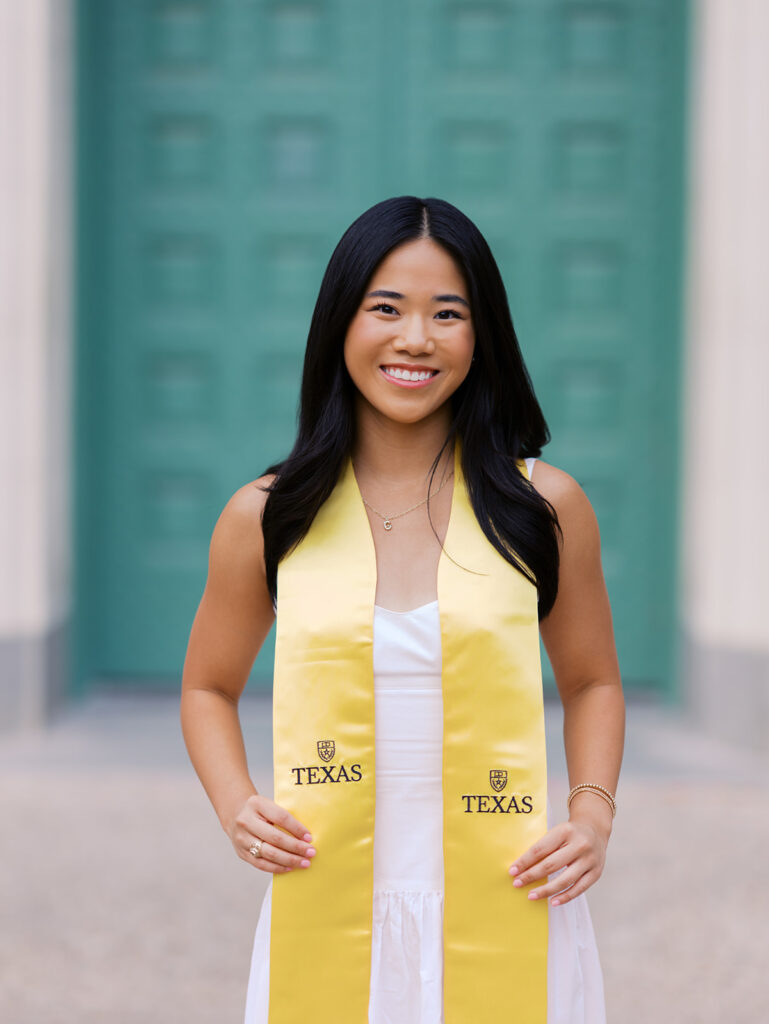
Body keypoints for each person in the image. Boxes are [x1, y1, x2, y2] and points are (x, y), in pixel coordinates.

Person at [180, 196, 625, 1023]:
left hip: (510, 893)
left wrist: (591, 817)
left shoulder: (544, 507)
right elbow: (206, 686)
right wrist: (235, 804)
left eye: (446, 314)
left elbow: (594, 680)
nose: (414, 339)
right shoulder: (269, 516)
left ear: (481, 333)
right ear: (338, 325)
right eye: (385, 308)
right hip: (331, 899)